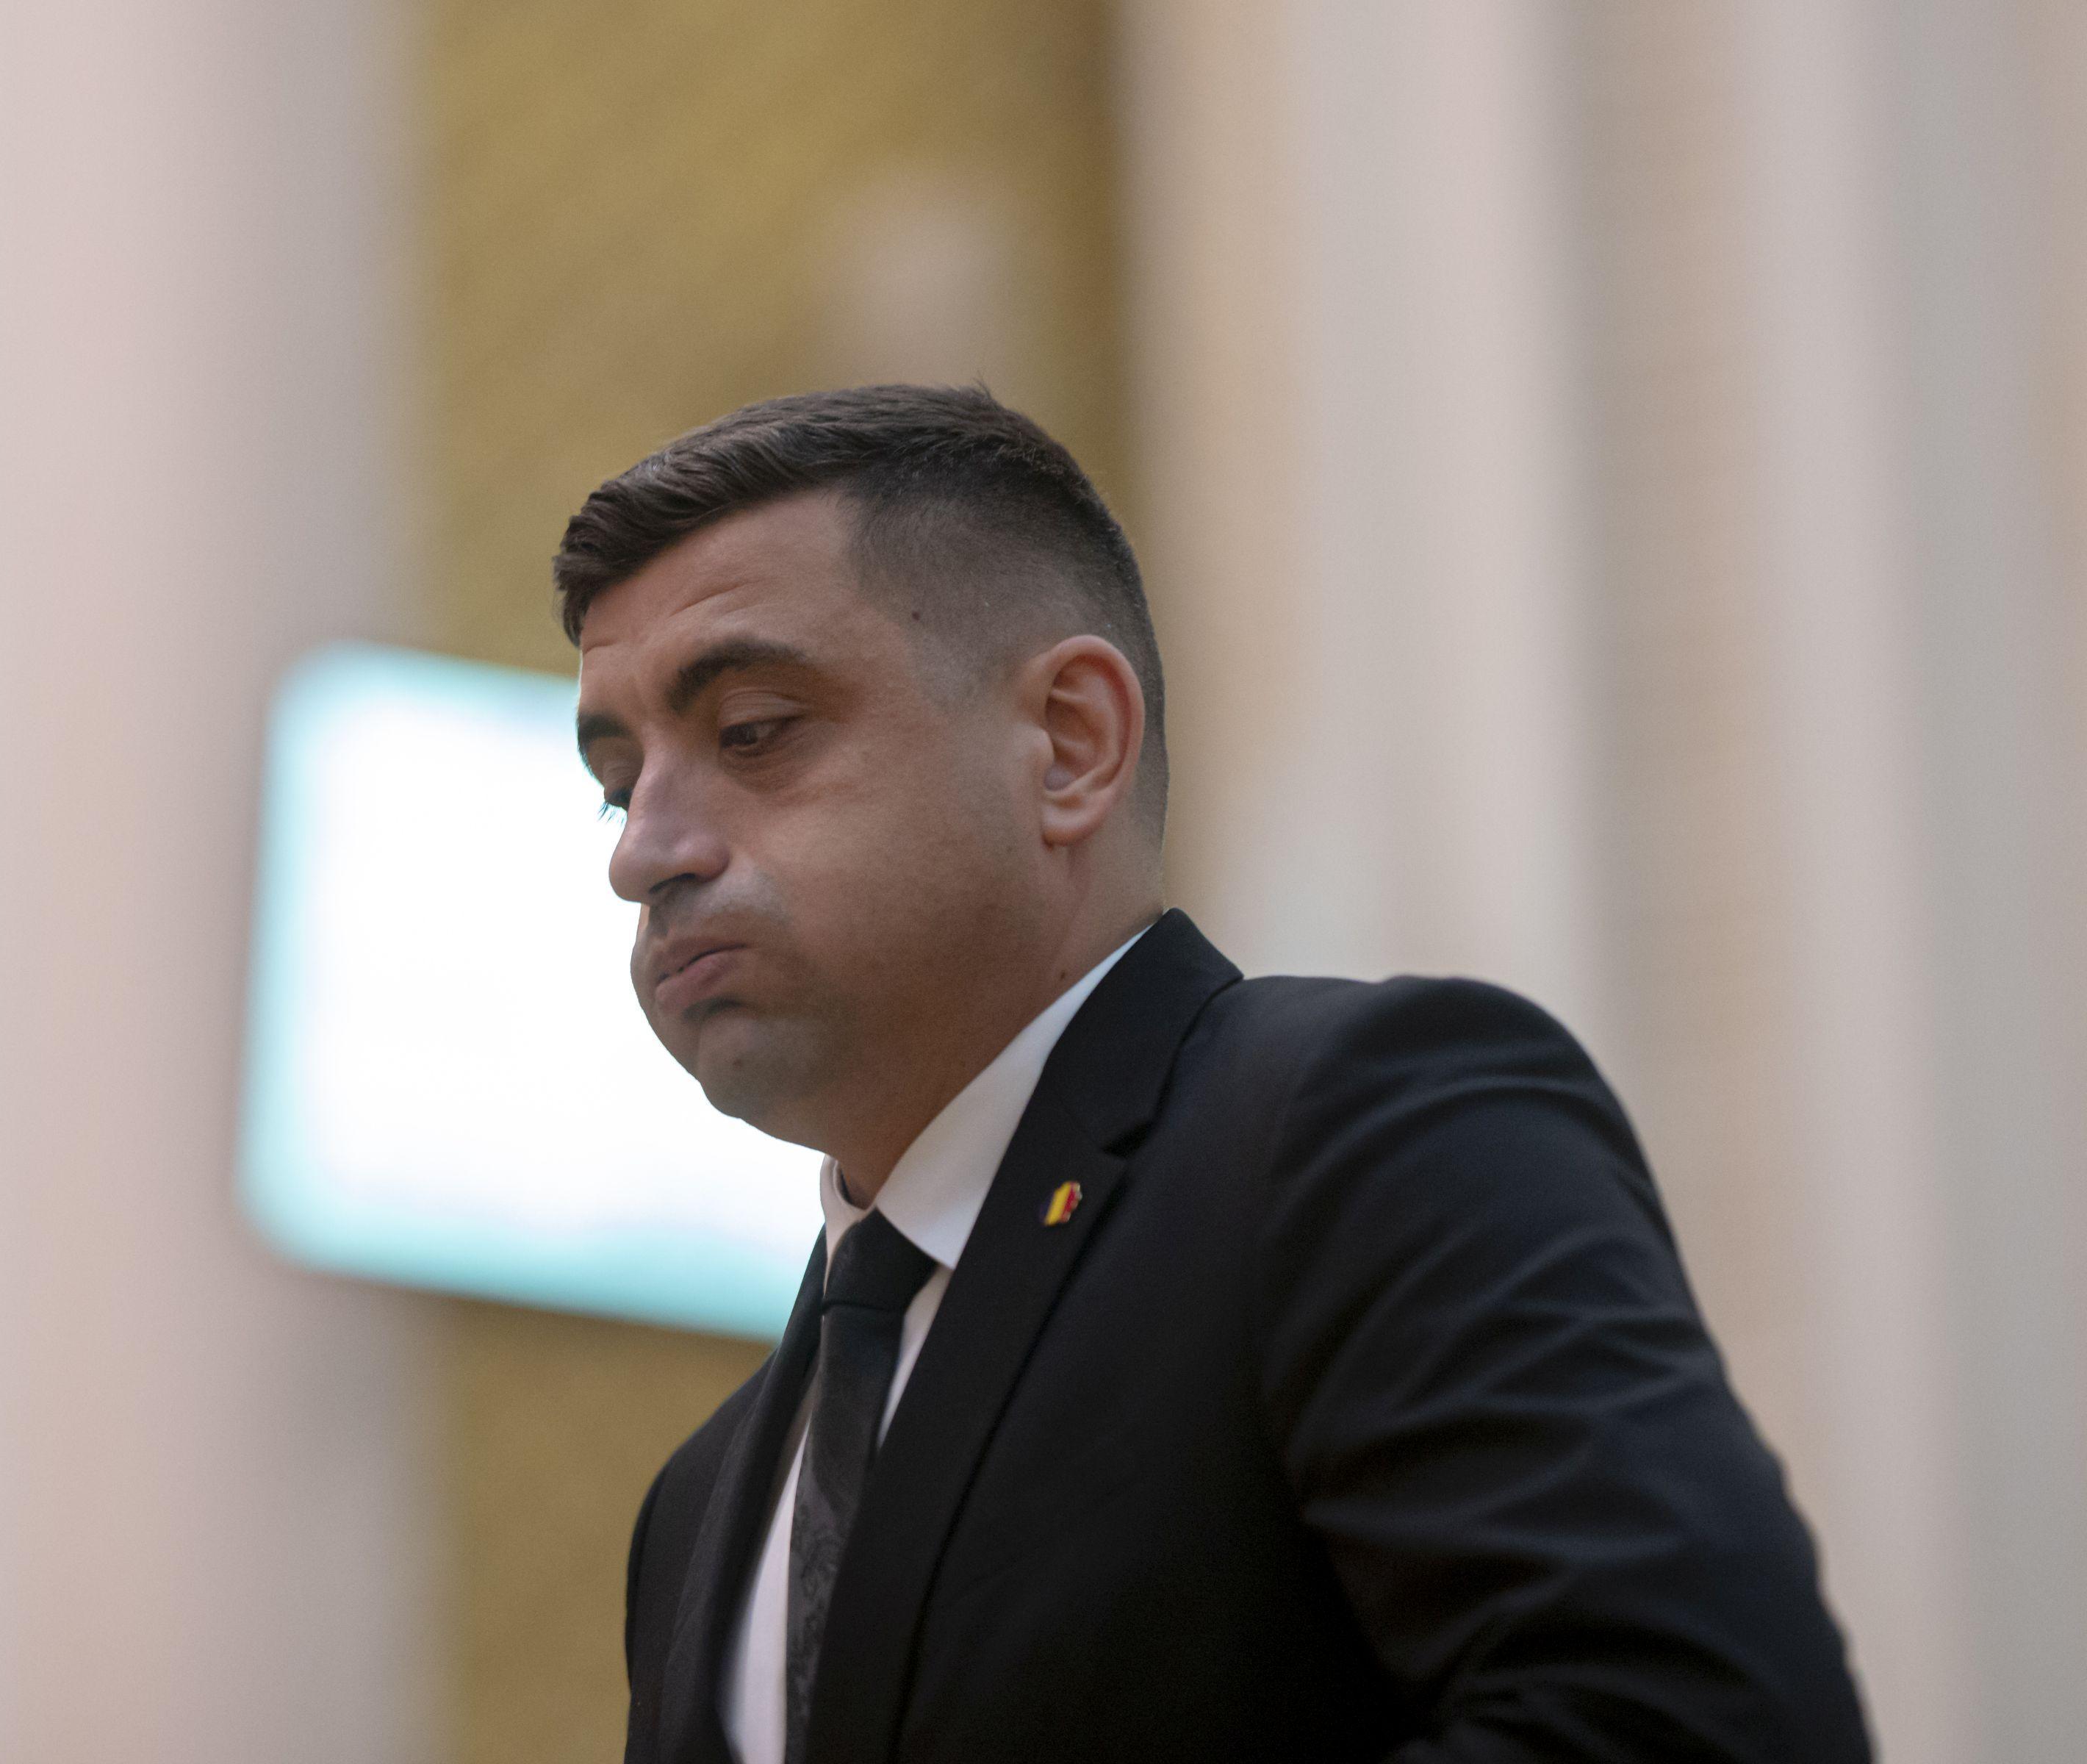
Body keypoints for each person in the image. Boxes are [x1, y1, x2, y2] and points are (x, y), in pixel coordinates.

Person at [561, 384, 1870, 1764]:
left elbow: (1688, 1727)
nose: (643, 855)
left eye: (754, 730)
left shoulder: (1364, 1132)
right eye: (618, 785)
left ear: (1069, 743)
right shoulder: (700, 1507)